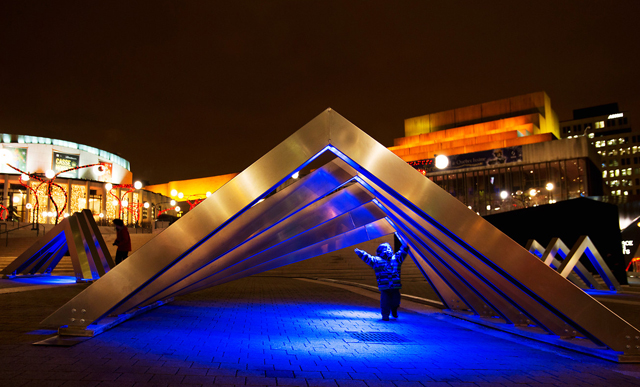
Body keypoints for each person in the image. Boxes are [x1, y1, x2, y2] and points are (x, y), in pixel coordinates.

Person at [355, 237, 409, 321]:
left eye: (389, 248)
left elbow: (402, 253)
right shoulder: (376, 261)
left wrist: (405, 246)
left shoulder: (396, 259)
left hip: (395, 287)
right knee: (385, 301)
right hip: (384, 287)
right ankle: (385, 315)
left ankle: (394, 308)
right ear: (380, 251)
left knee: (396, 300)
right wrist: (361, 253)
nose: (388, 250)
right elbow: (368, 258)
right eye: (385, 249)